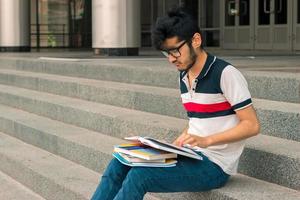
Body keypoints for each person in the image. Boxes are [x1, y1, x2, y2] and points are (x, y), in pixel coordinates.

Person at [91, 7, 260, 200]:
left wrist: (207, 140)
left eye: (175, 51)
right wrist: (171, 146)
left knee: (140, 176)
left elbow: (252, 125)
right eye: (166, 53)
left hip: (215, 165)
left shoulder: (225, 73)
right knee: (120, 162)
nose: (171, 59)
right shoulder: (184, 74)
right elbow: (199, 120)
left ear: (196, 40)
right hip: (191, 154)